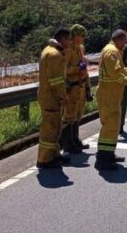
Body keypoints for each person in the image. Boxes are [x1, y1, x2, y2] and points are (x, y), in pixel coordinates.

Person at [95, 30, 127, 171]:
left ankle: (108, 154)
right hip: (108, 95)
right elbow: (116, 74)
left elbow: (122, 69)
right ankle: (103, 159)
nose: (126, 43)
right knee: (110, 127)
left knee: (113, 127)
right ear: (120, 39)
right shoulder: (112, 52)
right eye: (125, 40)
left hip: (112, 95)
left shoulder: (114, 50)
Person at [37, 28, 72, 169]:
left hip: (49, 96)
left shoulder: (51, 51)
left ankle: (54, 155)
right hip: (51, 98)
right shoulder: (54, 55)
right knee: (50, 129)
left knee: (56, 127)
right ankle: (44, 159)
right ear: (62, 39)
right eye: (68, 39)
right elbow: (56, 81)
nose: (70, 41)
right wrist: (63, 97)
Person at [60, 24, 92, 154]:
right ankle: (67, 143)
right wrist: (77, 68)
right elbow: (65, 70)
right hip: (72, 87)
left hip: (81, 86)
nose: (83, 38)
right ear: (75, 36)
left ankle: (75, 139)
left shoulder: (81, 49)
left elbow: (85, 70)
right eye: (81, 36)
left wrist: (88, 87)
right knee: (70, 115)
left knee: (78, 114)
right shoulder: (67, 50)